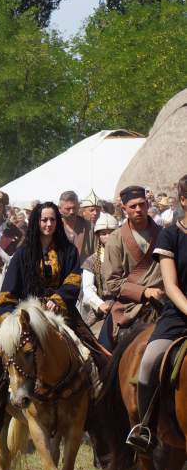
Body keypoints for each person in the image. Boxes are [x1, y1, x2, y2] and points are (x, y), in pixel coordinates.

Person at [0, 202, 88, 432]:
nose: (48, 224)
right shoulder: (23, 254)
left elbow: (74, 280)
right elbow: (8, 291)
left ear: (57, 223)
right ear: (36, 223)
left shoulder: (69, 252)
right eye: (44, 220)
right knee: (1, 354)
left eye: (52, 220)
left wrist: (57, 300)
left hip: (62, 313)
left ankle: (95, 415)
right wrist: (9, 317)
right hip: (26, 317)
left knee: (94, 353)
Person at [127, 175, 187, 454]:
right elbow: (171, 286)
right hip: (179, 314)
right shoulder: (170, 235)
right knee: (149, 361)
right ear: (184, 201)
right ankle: (146, 427)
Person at [99, 185, 164, 350]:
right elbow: (113, 283)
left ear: (148, 204)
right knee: (103, 356)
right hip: (131, 307)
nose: (138, 209)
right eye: (133, 206)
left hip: (165, 302)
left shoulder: (164, 234)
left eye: (142, 204)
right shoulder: (116, 239)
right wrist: (144, 292)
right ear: (124, 208)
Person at [79, 212, 119, 324]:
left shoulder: (126, 256)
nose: (108, 236)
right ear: (98, 236)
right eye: (104, 233)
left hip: (126, 305)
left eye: (112, 233)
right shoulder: (91, 261)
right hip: (102, 309)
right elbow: (87, 288)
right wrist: (100, 304)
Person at [59, 190, 95, 262]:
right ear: (60, 209)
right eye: (68, 209)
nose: (72, 212)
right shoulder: (55, 227)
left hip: (85, 271)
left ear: (78, 207)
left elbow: (97, 253)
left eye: (74, 208)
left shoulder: (90, 227)